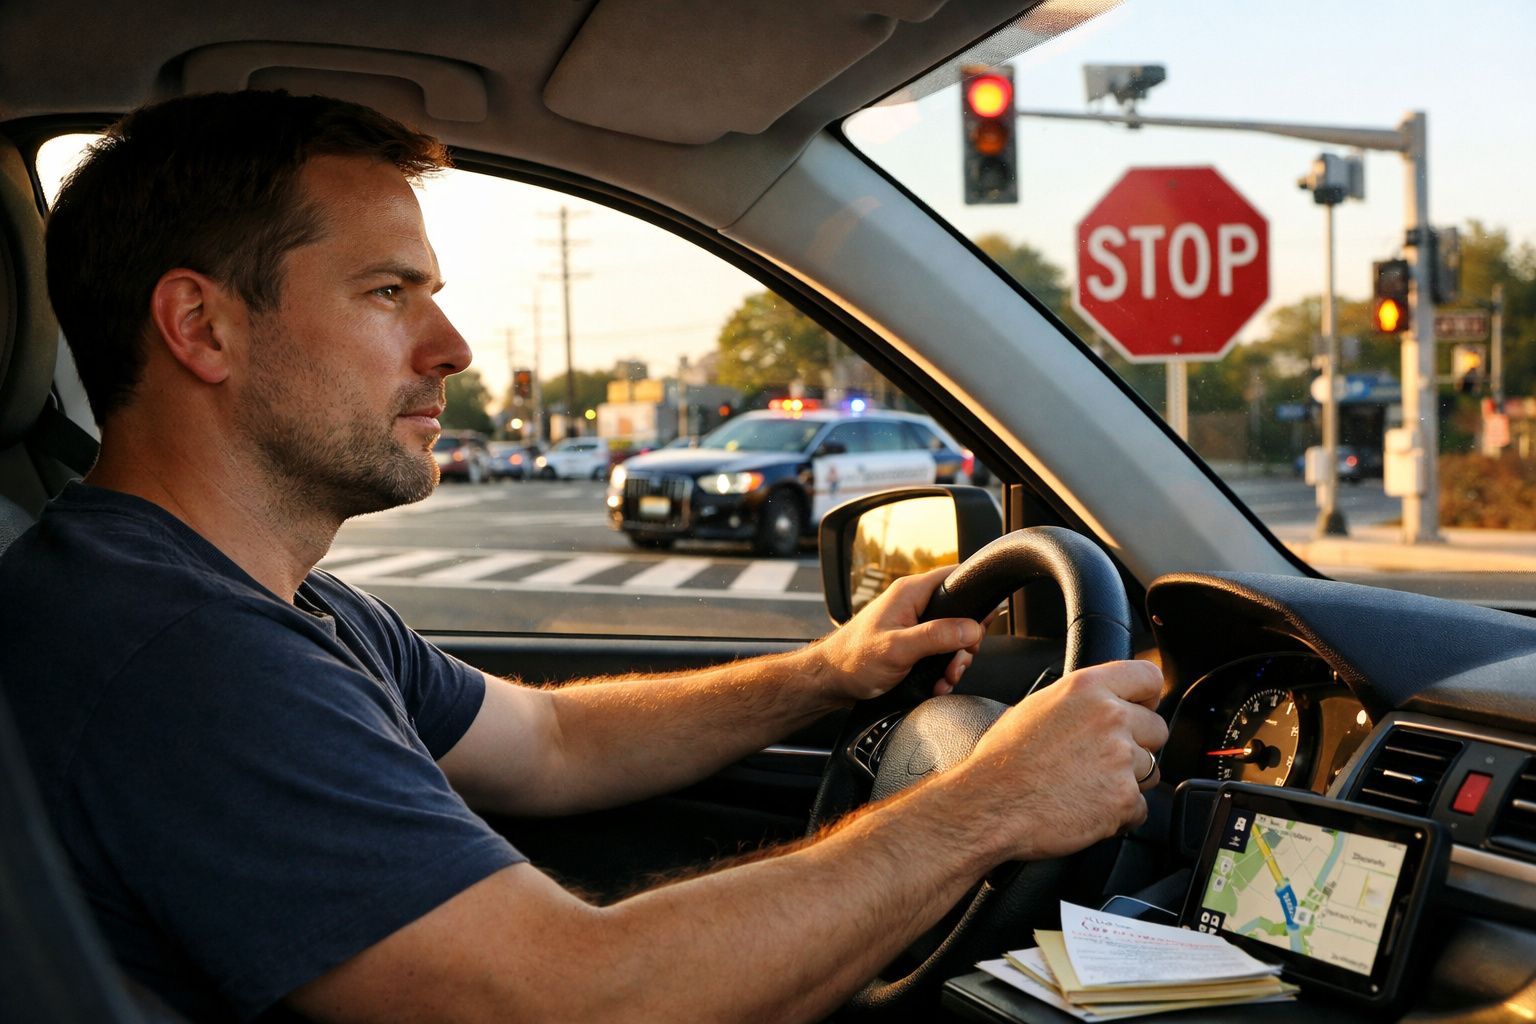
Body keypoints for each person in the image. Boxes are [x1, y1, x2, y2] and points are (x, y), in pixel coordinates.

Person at [0, 90, 1167, 1023]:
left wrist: (830, 669)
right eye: (388, 292)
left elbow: (553, 744)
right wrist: (990, 804)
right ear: (201, 326)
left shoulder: (285, 608)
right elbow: (571, 998)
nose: (452, 346)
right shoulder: (180, 653)